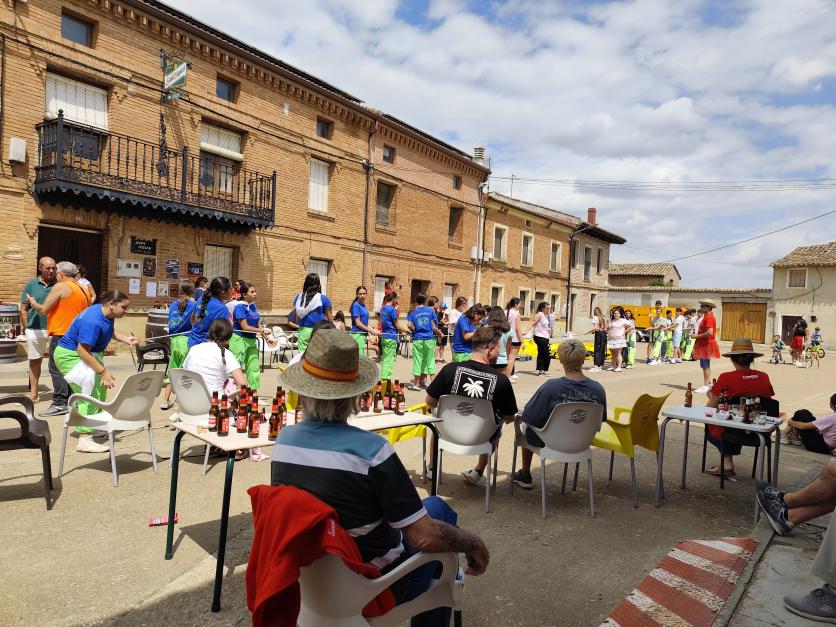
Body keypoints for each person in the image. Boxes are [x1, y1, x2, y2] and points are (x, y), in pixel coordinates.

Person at [271, 329, 489, 627]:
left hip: (311, 582)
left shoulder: (284, 443)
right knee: (439, 517)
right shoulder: (372, 451)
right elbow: (424, 536)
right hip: (371, 586)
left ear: (304, 392)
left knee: (433, 510)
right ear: (356, 395)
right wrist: (473, 543)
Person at [425, 325, 518, 484]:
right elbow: (509, 416)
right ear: (490, 349)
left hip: (448, 433)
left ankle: (433, 468)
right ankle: (478, 471)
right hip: (482, 438)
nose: (501, 353)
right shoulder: (501, 381)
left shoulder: (449, 370)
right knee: (497, 423)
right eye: (499, 348)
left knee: (437, 419)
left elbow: (429, 401)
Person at [512, 338, 607, 489]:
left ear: (561, 360)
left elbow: (530, 416)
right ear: (584, 359)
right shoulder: (598, 389)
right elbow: (600, 420)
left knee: (527, 426)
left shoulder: (551, 388)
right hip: (581, 442)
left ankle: (525, 473)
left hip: (551, 442)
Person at [53, 291, 139, 452]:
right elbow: (82, 351)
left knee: (100, 389)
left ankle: (96, 424)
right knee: (88, 393)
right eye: (123, 307)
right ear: (111, 304)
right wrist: (102, 372)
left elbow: (107, 330)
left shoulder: (105, 312)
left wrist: (126, 339)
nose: (125, 311)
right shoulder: (92, 321)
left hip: (88, 354)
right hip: (70, 356)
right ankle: (84, 438)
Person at [26, 261, 91, 417]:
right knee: (71, 368)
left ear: (61, 274)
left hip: (63, 334)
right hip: (78, 334)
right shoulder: (83, 288)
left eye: (56, 273)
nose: (55, 276)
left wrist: (33, 303)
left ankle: (59, 403)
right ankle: (72, 400)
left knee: (56, 368)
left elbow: (43, 310)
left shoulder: (61, 286)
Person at [703, 338, 775, 476]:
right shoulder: (764, 377)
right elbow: (767, 403)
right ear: (752, 359)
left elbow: (710, 407)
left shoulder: (726, 378)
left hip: (731, 431)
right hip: (759, 431)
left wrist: (711, 396)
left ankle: (727, 461)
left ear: (732, 359)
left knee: (712, 424)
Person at [19, 257, 56, 402]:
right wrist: (26, 327)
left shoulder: (59, 285)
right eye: (48, 268)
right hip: (35, 329)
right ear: (40, 268)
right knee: (35, 361)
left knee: (58, 362)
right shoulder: (31, 285)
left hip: (55, 329)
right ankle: (34, 393)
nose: (51, 271)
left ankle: (62, 395)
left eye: (53, 268)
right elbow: (23, 308)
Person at [183, 318, 248, 397]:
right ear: (228, 337)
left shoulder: (193, 349)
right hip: (215, 401)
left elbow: (185, 372)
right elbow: (242, 384)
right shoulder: (226, 354)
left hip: (190, 399)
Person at [160, 283, 196, 410]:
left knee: (172, 369)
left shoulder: (173, 304)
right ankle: (178, 401)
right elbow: (195, 321)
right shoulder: (194, 305)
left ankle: (165, 400)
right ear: (193, 292)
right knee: (184, 371)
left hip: (174, 340)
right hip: (186, 340)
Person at [230, 281, 272, 392]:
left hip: (251, 340)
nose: (255, 294)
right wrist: (262, 330)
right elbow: (245, 327)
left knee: (254, 368)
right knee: (236, 367)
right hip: (239, 339)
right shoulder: (240, 307)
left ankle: (254, 394)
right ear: (244, 294)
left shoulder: (253, 307)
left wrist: (266, 338)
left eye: (255, 291)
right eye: (252, 292)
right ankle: (234, 394)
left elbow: (256, 324)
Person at [406, 294, 441, 390]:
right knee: (430, 360)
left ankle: (416, 384)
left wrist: (414, 330)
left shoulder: (413, 311)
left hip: (417, 338)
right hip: (429, 338)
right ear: (425, 301)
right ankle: (433, 384)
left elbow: (409, 325)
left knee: (418, 360)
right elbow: (433, 325)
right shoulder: (430, 310)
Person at [292, 273, 332, 352]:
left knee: (302, 356)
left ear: (306, 283)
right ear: (318, 284)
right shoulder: (323, 299)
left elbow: (297, 319)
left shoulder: (299, 298)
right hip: (319, 331)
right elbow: (330, 319)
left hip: (304, 331)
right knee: (317, 356)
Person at [188, 277, 233, 348]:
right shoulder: (222, 309)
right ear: (223, 293)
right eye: (231, 289)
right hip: (208, 348)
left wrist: (199, 329)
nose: (232, 291)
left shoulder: (201, 299)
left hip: (192, 343)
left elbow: (192, 318)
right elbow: (222, 333)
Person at [691, 299, 720, 392]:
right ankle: (708, 383)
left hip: (705, 344)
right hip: (706, 343)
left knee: (705, 365)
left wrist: (696, 336)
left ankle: (706, 385)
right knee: (706, 365)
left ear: (708, 307)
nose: (700, 308)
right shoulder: (708, 316)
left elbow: (709, 332)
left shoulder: (708, 317)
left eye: (702, 306)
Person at [525, 302, 552, 376]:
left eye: (549, 308)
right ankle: (542, 371)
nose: (549, 310)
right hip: (540, 337)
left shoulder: (545, 316)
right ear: (543, 308)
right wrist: (526, 331)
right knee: (547, 354)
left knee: (542, 353)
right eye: (547, 308)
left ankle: (541, 371)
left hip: (544, 337)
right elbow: (532, 323)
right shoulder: (540, 314)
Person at [349, 286, 377, 352]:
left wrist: (373, 330)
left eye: (364, 294)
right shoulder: (356, 305)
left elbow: (365, 323)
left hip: (362, 335)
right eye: (360, 294)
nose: (362, 295)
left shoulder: (363, 305)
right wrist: (370, 330)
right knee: (360, 356)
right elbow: (358, 323)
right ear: (357, 295)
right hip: (357, 334)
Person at [379, 291, 400, 381]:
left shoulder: (383, 309)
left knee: (385, 359)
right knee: (389, 360)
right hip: (391, 336)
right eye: (396, 299)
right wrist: (407, 331)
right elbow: (397, 325)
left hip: (384, 336)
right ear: (394, 299)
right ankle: (385, 380)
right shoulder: (392, 310)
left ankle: (383, 379)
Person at [606, 307, 632, 372]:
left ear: (620, 314)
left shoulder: (623, 320)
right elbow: (607, 328)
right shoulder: (612, 321)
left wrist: (624, 332)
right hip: (611, 339)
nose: (616, 314)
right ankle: (613, 366)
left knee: (618, 353)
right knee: (613, 354)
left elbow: (631, 326)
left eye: (617, 313)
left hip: (619, 339)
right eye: (615, 313)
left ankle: (619, 367)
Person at [505, 297, 523, 382]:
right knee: (512, 358)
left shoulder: (505, 312)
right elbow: (518, 328)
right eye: (520, 303)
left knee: (507, 357)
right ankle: (507, 377)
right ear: (516, 304)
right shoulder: (516, 314)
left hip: (506, 337)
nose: (521, 305)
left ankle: (506, 374)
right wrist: (522, 341)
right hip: (515, 338)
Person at [586, 306, 607, 373]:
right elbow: (605, 328)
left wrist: (587, 332)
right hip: (603, 334)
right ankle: (600, 366)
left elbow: (595, 327)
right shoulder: (603, 317)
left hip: (598, 334)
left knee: (597, 350)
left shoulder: (595, 317)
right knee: (602, 350)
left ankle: (596, 367)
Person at [646, 299, 664, 364]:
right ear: (655, 305)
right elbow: (651, 322)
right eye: (657, 305)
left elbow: (659, 324)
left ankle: (657, 358)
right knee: (650, 343)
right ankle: (649, 357)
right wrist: (650, 328)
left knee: (657, 345)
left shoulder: (661, 312)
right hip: (652, 329)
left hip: (657, 330)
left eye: (659, 305)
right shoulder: (652, 311)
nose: (658, 306)